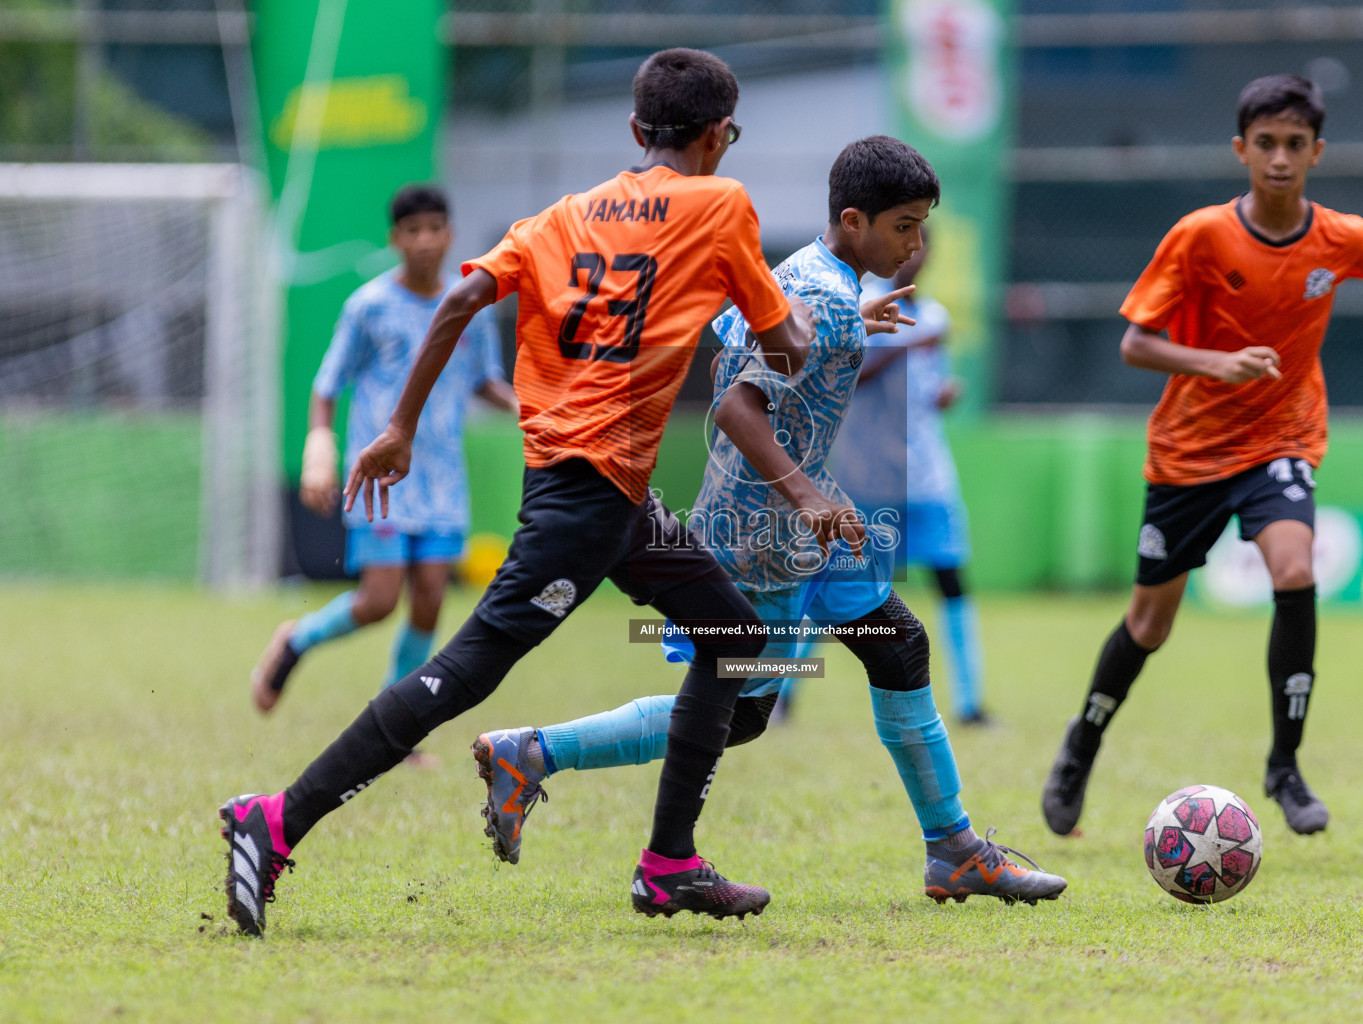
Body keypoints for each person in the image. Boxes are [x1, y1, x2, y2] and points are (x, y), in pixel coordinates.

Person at [219, 48, 819, 937]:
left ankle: (669, 865)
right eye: (727, 135)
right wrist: (800, 310)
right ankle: (274, 820)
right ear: (718, 134)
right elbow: (789, 349)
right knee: (458, 676)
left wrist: (399, 427)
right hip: (583, 504)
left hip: (611, 497)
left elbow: (461, 302)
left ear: (633, 129)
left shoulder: (559, 217)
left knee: (735, 638)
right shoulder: (721, 205)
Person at [471, 136, 1068, 908]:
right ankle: (536, 753)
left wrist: (852, 319)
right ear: (853, 221)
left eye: (922, 227)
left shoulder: (806, 277)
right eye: (904, 227)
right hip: (770, 538)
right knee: (746, 709)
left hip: (790, 531)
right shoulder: (823, 299)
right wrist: (808, 495)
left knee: (887, 651)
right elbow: (734, 401)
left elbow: (733, 339)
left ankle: (954, 849)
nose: (916, 245)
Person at [1040, 74, 1363, 839]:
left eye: (1295, 145)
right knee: (1149, 625)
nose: (1280, 159)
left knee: (1296, 570)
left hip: (1283, 438)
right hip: (1188, 452)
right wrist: (1219, 364)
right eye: (1266, 145)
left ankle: (1285, 765)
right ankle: (1082, 745)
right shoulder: (1201, 235)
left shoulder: (1341, 238)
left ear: (1317, 152)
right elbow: (1135, 343)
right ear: (1241, 150)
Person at [249, 186, 517, 757]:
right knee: (378, 600)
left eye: (435, 229)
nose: (424, 241)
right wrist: (319, 447)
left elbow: (484, 380)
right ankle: (295, 640)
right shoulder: (369, 306)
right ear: (396, 239)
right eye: (412, 231)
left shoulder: (470, 305)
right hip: (383, 482)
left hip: (444, 480)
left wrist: (527, 405)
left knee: (427, 601)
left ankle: (396, 723)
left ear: (450, 234)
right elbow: (327, 386)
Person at [829, 231, 990, 724]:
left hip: (925, 475)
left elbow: (922, 387)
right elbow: (845, 378)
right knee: (824, 585)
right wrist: (909, 346)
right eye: (906, 237)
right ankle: (781, 698)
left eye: (923, 244)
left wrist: (942, 393)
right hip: (867, 478)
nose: (914, 253)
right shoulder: (866, 307)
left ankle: (970, 705)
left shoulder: (935, 316)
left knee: (952, 583)